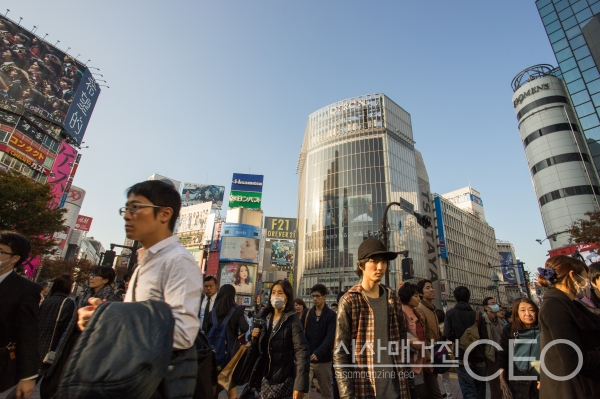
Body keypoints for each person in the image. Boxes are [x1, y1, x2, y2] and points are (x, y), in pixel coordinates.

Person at [78, 180, 203, 398]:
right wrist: (103, 315)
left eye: (136, 207)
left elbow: (183, 334)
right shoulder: (145, 261)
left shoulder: (178, 261)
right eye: (126, 208)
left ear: (165, 214)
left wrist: (110, 319)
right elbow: (137, 318)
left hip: (153, 385)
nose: (127, 215)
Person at [334, 238, 411, 398]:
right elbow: (340, 352)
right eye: (373, 261)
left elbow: (401, 341)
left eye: (383, 262)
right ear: (361, 265)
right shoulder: (350, 300)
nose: (380, 267)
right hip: (364, 388)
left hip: (395, 390)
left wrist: (408, 381)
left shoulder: (393, 297)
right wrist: (346, 395)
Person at [537, 255, 600, 398]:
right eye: (585, 279)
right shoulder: (554, 306)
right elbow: (572, 358)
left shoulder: (571, 304)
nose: (586, 284)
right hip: (573, 390)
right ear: (572, 276)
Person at [249, 279, 309, 399]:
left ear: (287, 297)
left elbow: (302, 351)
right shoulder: (264, 317)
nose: (276, 296)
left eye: (280, 293)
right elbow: (258, 350)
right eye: (274, 292)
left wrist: (299, 386)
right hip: (263, 378)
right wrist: (254, 336)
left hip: (283, 380)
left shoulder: (292, 319)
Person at [0, 231, 40, 399]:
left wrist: (28, 376)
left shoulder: (25, 290)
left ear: (14, 259)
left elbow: (28, 334)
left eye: (1, 251)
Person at [203, 284, 248, 399]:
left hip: (213, 354)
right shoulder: (237, 310)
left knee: (213, 387)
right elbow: (245, 328)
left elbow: (205, 329)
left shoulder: (212, 311)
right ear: (232, 295)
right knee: (231, 388)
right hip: (230, 354)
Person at [399, 282, 443, 399]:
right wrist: (410, 341)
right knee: (420, 393)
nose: (418, 298)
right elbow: (396, 336)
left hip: (422, 360)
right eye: (415, 296)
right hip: (411, 363)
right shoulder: (401, 314)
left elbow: (422, 339)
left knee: (435, 394)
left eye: (418, 296)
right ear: (407, 297)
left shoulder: (418, 315)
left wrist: (427, 359)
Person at [444, 286, 488, 399]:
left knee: (468, 391)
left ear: (455, 298)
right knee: (480, 391)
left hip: (462, 356)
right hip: (479, 357)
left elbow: (447, 334)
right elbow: (485, 337)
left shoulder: (450, 314)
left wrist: (459, 341)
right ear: (469, 297)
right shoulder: (478, 315)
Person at [498, 298, 540, 399]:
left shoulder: (543, 329)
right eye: (522, 310)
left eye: (531, 310)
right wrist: (502, 379)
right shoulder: (509, 330)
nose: (528, 314)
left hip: (540, 381)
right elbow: (503, 355)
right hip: (517, 381)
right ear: (516, 313)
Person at [301, 284, 336, 399]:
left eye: (317, 296)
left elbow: (330, 336)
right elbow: (300, 335)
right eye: (313, 296)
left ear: (324, 297)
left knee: (326, 391)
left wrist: (319, 352)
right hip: (307, 359)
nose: (315, 299)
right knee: (303, 392)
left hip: (324, 360)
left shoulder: (330, 315)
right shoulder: (306, 313)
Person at [38, 274, 75, 369]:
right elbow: (65, 328)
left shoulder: (47, 300)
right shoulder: (67, 302)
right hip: (50, 346)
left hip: (37, 342)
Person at [481, 297, 503, 399]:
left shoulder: (500, 321)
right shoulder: (483, 320)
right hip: (491, 356)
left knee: (505, 383)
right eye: (492, 304)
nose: (496, 305)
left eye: (496, 303)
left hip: (503, 354)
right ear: (486, 307)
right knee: (495, 386)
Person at [435, 308, 454, 399]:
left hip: (441, 354)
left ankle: (448, 394)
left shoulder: (439, 328)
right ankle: (447, 394)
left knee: (443, 377)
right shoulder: (447, 325)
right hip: (445, 353)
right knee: (444, 377)